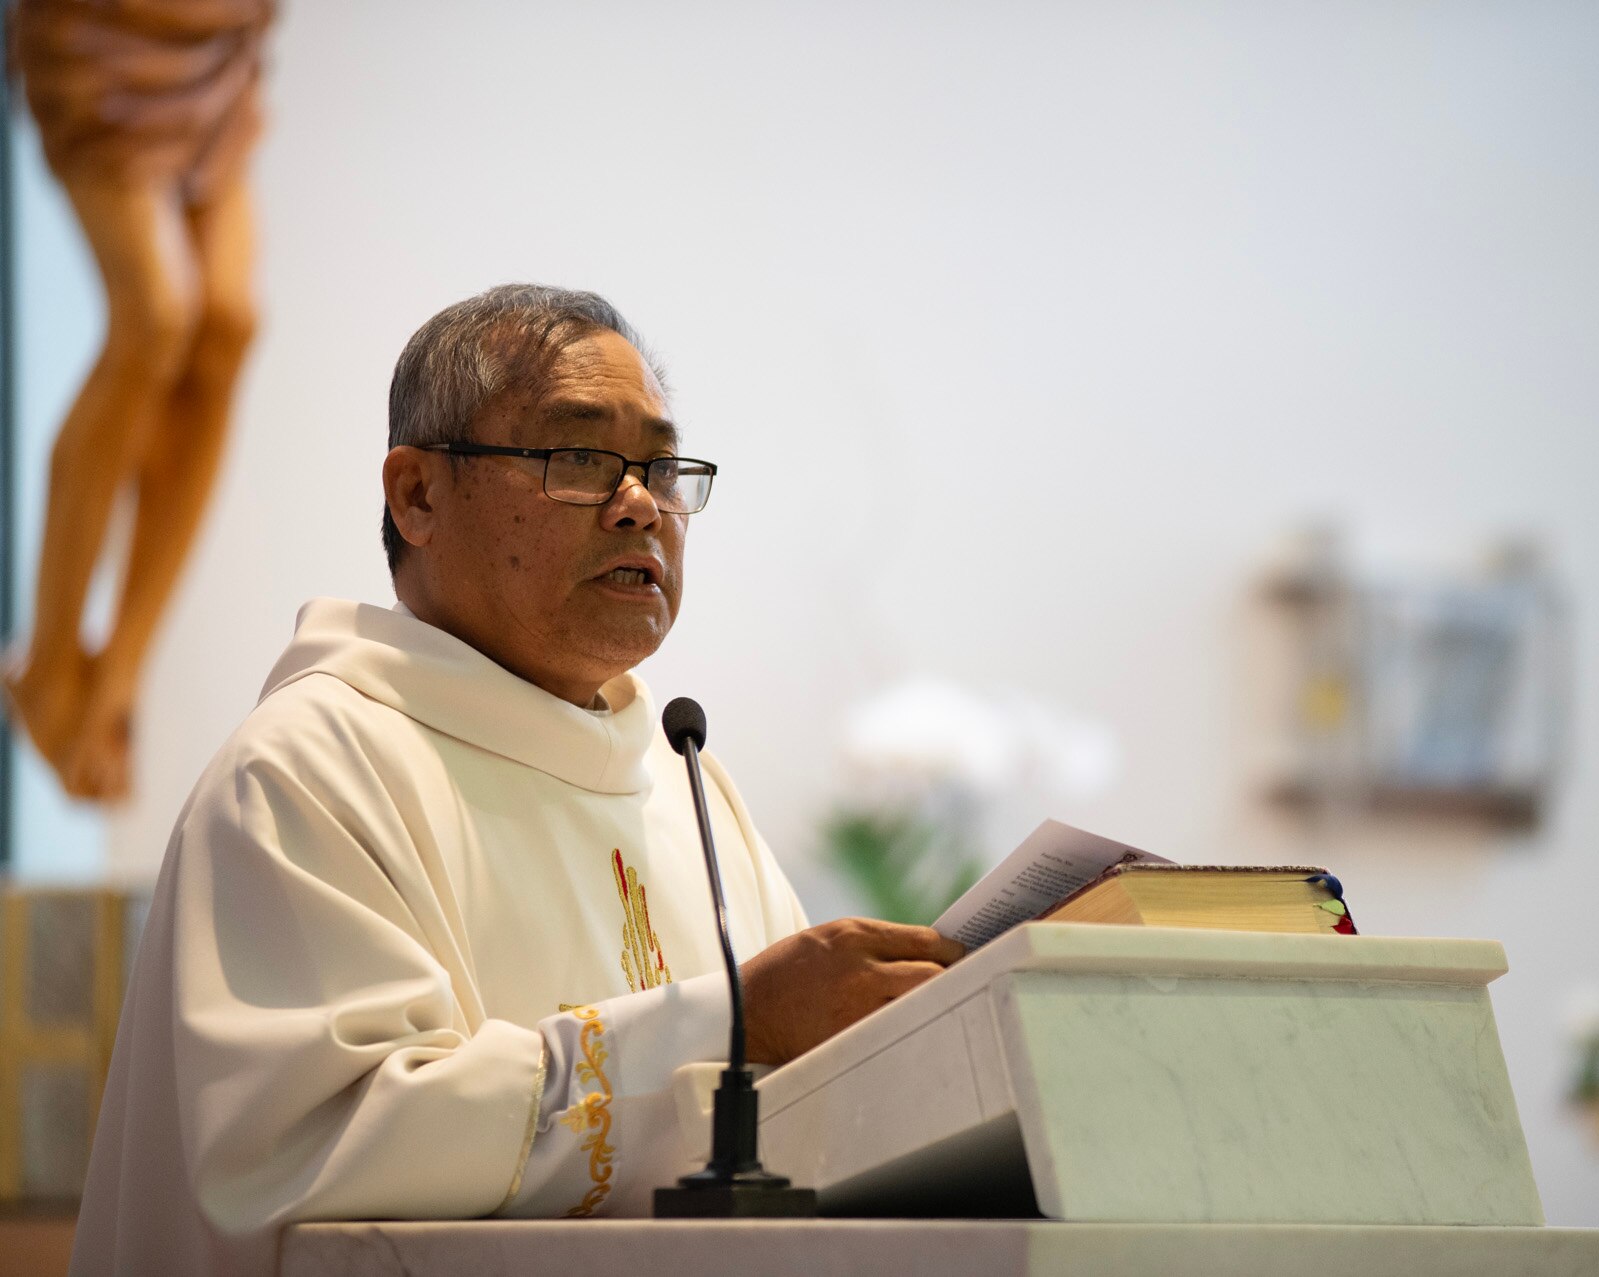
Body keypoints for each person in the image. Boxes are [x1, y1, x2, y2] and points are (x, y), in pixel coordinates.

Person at [68, 285, 965, 1276]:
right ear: (417, 495)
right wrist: (731, 1026)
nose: (640, 503)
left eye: (661, 468)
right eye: (579, 458)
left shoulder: (689, 786)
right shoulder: (306, 771)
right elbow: (320, 1150)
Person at [5, 0, 273, 800]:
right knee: (156, 315)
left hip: (216, 33)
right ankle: (51, 664)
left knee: (229, 322)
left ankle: (120, 674)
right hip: (105, 31)